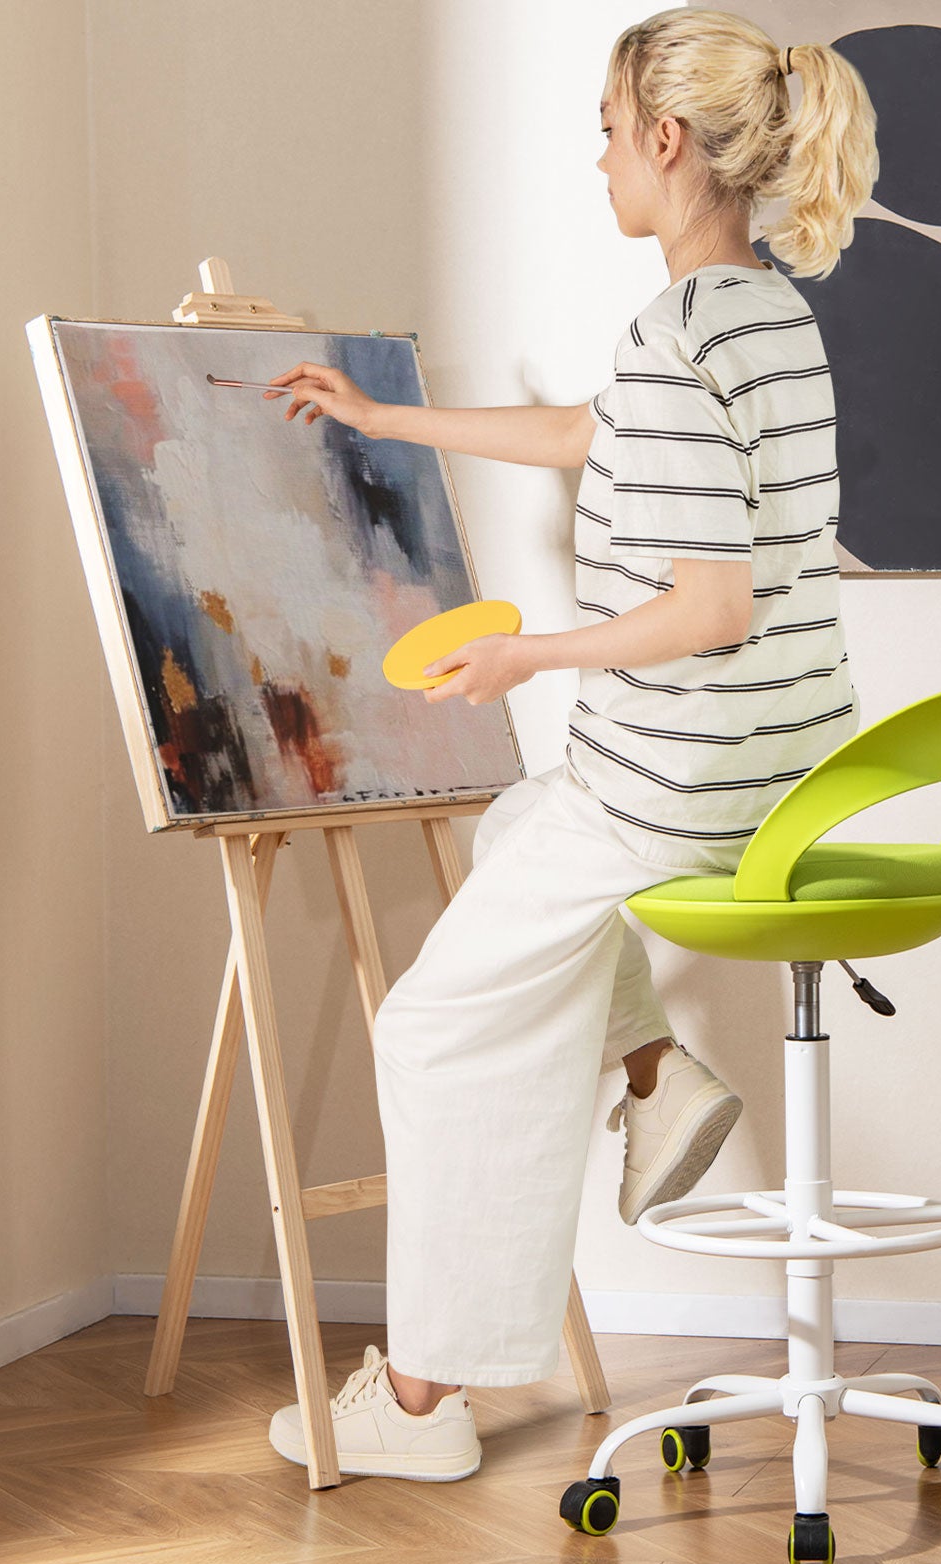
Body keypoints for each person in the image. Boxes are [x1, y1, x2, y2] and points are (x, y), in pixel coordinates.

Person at [265, 8, 877, 1483]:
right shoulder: (763, 314)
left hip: (672, 778)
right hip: (782, 769)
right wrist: (381, 414)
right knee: (511, 827)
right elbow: (586, 432)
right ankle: (658, 1071)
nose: (597, 157)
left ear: (666, 142)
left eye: (609, 131)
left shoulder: (678, 338)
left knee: (433, 1032)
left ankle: (422, 1402)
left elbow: (707, 605)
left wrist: (528, 652)